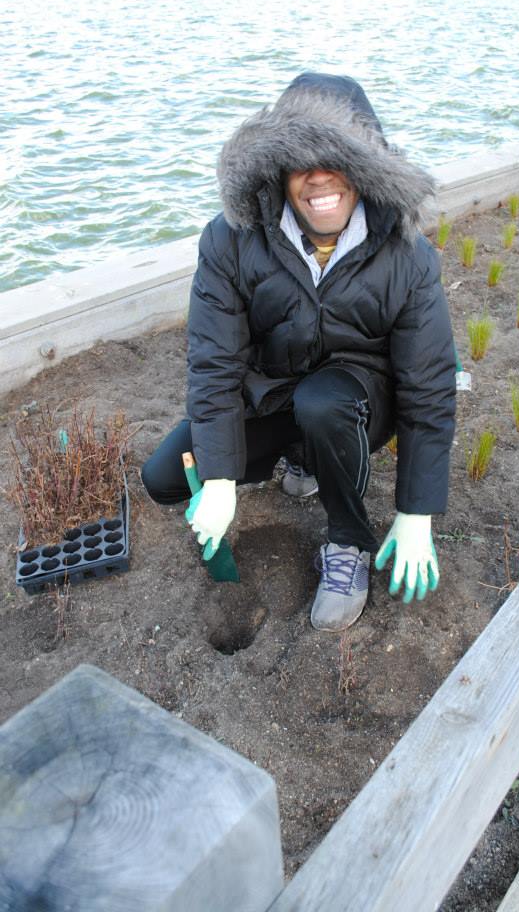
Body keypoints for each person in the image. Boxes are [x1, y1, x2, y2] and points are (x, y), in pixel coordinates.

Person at [142, 72, 456, 632]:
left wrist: (416, 513)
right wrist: (216, 479)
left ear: (367, 167)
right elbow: (214, 364)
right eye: (301, 161)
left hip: (355, 402)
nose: (319, 178)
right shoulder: (229, 239)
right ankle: (303, 458)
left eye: (338, 158)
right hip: (272, 394)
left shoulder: (408, 256)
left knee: (324, 404)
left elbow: (429, 388)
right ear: (279, 171)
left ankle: (347, 544)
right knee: (164, 476)